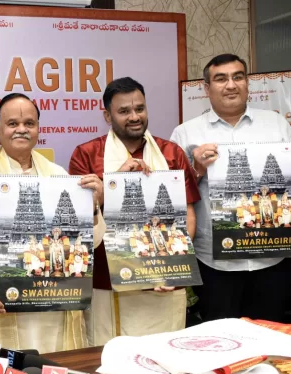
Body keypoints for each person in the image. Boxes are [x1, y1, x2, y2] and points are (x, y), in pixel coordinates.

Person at [171, 53, 291, 322]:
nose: (230, 85)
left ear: (247, 83)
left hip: (273, 259)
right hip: (215, 262)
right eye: (221, 78)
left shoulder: (276, 124)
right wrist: (198, 168)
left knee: (269, 338)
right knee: (221, 341)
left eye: (238, 77)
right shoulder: (186, 133)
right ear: (206, 88)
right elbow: (175, 196)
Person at [0, 93, 101, 353]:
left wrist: (92, 207)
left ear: (38, 129)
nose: (21, 129)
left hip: (52, 309)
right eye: (12, 124)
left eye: (29, 123)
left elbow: (89, 243)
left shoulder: (59, 177)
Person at [69, 77, 200, 347]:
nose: (134, 117)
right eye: (124, 111)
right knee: (110, 360)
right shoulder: (86, 155)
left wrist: (173, 269)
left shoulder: (170, 153)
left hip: (163, 281)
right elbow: (77, 227)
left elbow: (187, 214)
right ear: (107, 115)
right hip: (107, 283)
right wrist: (112, 186)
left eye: (139, 109)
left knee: (164, 356)